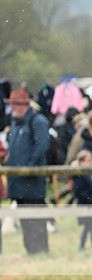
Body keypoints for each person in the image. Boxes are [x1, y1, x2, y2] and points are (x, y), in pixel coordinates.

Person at [5, 87, 50, 254]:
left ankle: (40, 250)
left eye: (15, 104)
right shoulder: (16, 124)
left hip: (32, 182)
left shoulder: (38, 121)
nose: (12, 108)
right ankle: (31, 250)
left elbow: (42, 146)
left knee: (36, 217)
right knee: (25, 217)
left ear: (23, 105)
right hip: (18, 182)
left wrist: (29, 168)